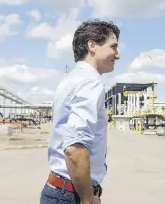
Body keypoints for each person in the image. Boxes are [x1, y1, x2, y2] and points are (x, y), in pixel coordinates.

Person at [40, 19, 121, 204]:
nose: (117, 55)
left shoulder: (71, 80)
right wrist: (86, 199)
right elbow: (75, 148)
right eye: (113, 47)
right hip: (71, 195)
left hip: (59, 190)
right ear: (92, 45)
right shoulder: (90, 82)